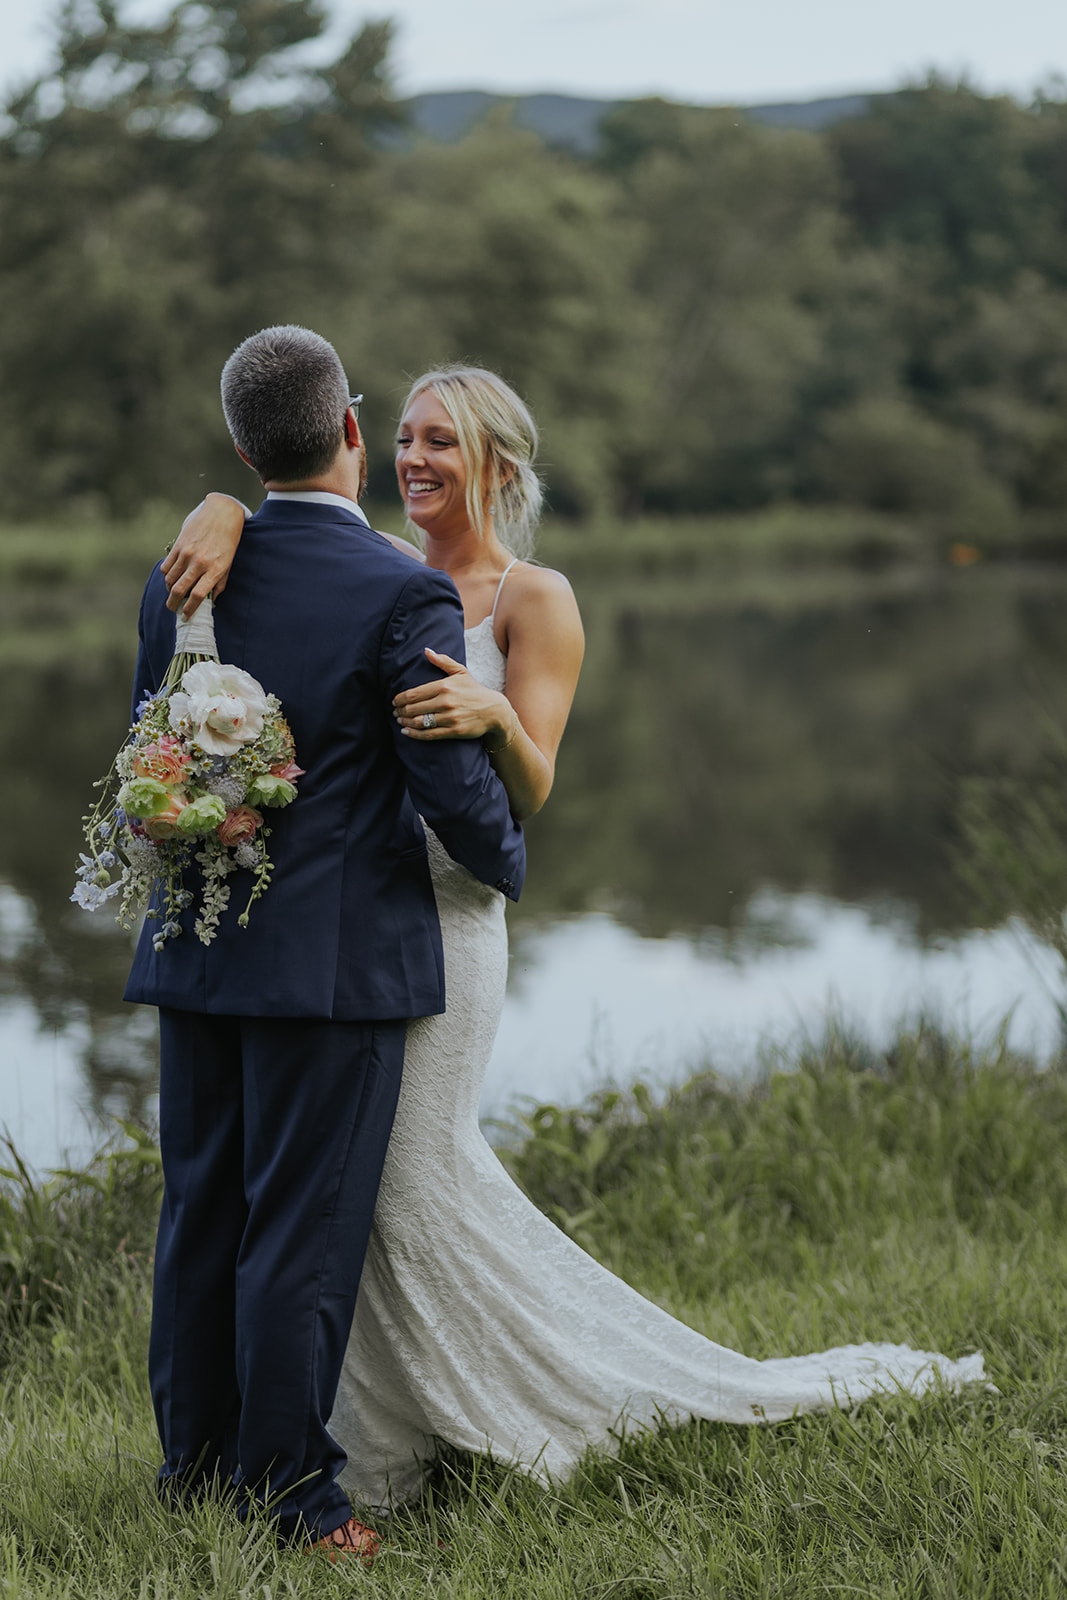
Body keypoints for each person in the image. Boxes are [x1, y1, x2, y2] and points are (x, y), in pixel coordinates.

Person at [164, 364, 986, 1515]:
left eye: (442, 441)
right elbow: (292, 546)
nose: (414, 459)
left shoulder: (535, 598)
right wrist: (222, 507)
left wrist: (498, 713)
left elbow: (535, 788)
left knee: (400, 1175)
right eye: (402, 437)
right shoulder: (381, 573)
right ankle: (383, 1430)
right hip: (352, 919)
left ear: (498, 459)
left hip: (447, 919)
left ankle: (507, 1411)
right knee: (370, 1193)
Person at [126, 332, 525, 1558]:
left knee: (202, 1218)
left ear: (245, 450)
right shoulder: (399, 592)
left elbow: (154, 756)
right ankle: (297, 1504)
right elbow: (449, 788)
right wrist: (507, 857)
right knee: (300, 1234)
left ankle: (195, 1475)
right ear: (351, 430)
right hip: (335, 970)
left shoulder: (182, 576)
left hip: (200, 952)